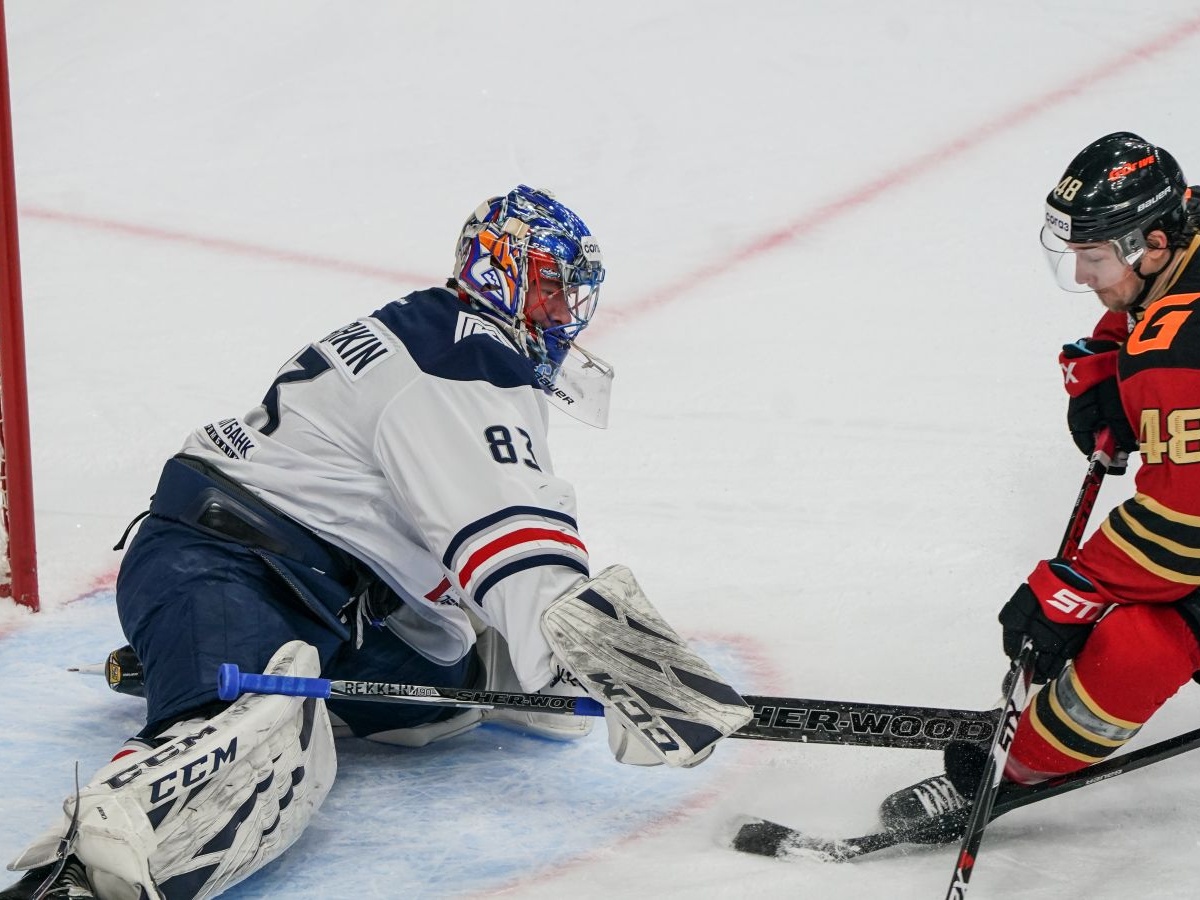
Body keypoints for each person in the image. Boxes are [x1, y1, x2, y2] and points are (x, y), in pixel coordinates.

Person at [2, 185, 750, 899]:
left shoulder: (444, 330)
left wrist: (547, 661)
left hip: (329, 591)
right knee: (253, 754)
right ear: (502, 272)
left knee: (448, 691)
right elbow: (514, 532)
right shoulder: (464, 359)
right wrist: (626, 668)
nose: (563, 312)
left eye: (569, 293)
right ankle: (80, 871)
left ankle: (214, 661)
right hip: (224, 561)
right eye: (551, 287)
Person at [879, 132, 1200, 835]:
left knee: (1143, 643)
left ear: (1151, 242)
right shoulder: (1186, 227)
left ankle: (1010, 771)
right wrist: (1116, 349)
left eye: (1095, 257)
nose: (1084, 276)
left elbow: (1186, 531)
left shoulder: (1178, 356)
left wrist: (1075, 587)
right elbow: (1156, 315)